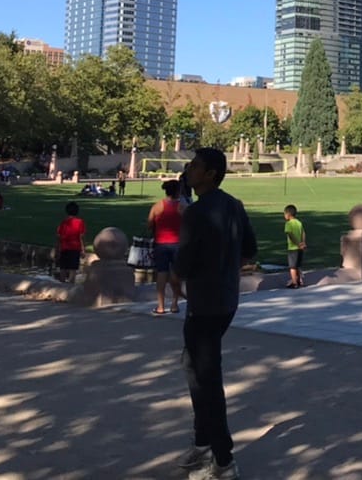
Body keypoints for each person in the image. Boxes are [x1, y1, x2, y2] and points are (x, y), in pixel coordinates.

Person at [175, 147, 257, 480]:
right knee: (192, 364)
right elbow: (250, 250)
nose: (189, 170)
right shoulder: (234, 206)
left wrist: (181, 281)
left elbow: (182, 262)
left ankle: (223, 459)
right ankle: (203, 440)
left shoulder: (195, 214)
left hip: (204, 303)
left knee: (207, 378)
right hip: (226, 300)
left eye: (194, 166)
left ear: (210, 174)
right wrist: (227, 269)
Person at [148, 180, 185, 314]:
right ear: (178, 191)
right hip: (177, 244)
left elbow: (150, 224)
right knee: (176, 275)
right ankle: (174, 303)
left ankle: (160, 306)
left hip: (161, 244)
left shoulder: (157, 206)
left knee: (161, 274)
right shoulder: (182, 207)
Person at [55, 201, 87, 282]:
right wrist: (83, 250)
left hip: (64, 248)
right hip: (75, 248)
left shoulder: (63, 223)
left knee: (63, 268)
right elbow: (81, 237)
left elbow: (59, 237)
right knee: (73, 269)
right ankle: (70, 285)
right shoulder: (80, 222)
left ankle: (61, 285)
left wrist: (57, 250)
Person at [283, 204, 306, 288]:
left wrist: (297, 243)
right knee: (298, 266)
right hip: (300, 248)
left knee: (292, 267)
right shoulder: (299, 222)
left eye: (284, 214)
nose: (284, 216)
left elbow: (290, 235)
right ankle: (300, 281)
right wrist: (303, 242)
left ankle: (294, 282)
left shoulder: (288, 224)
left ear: (288, 214)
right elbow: (303, 233)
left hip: (293, 248)